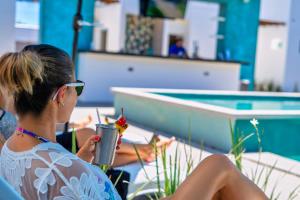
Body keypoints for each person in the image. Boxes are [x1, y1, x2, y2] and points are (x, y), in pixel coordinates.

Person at [0, 44, 267, 200]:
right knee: (218, 165)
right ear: (61, 95)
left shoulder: (10, 149)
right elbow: (62, 178)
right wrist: (80, 169)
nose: (76, 97)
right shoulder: (63, 170)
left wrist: (80, 162)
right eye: (76, 88)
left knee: (219, 185)